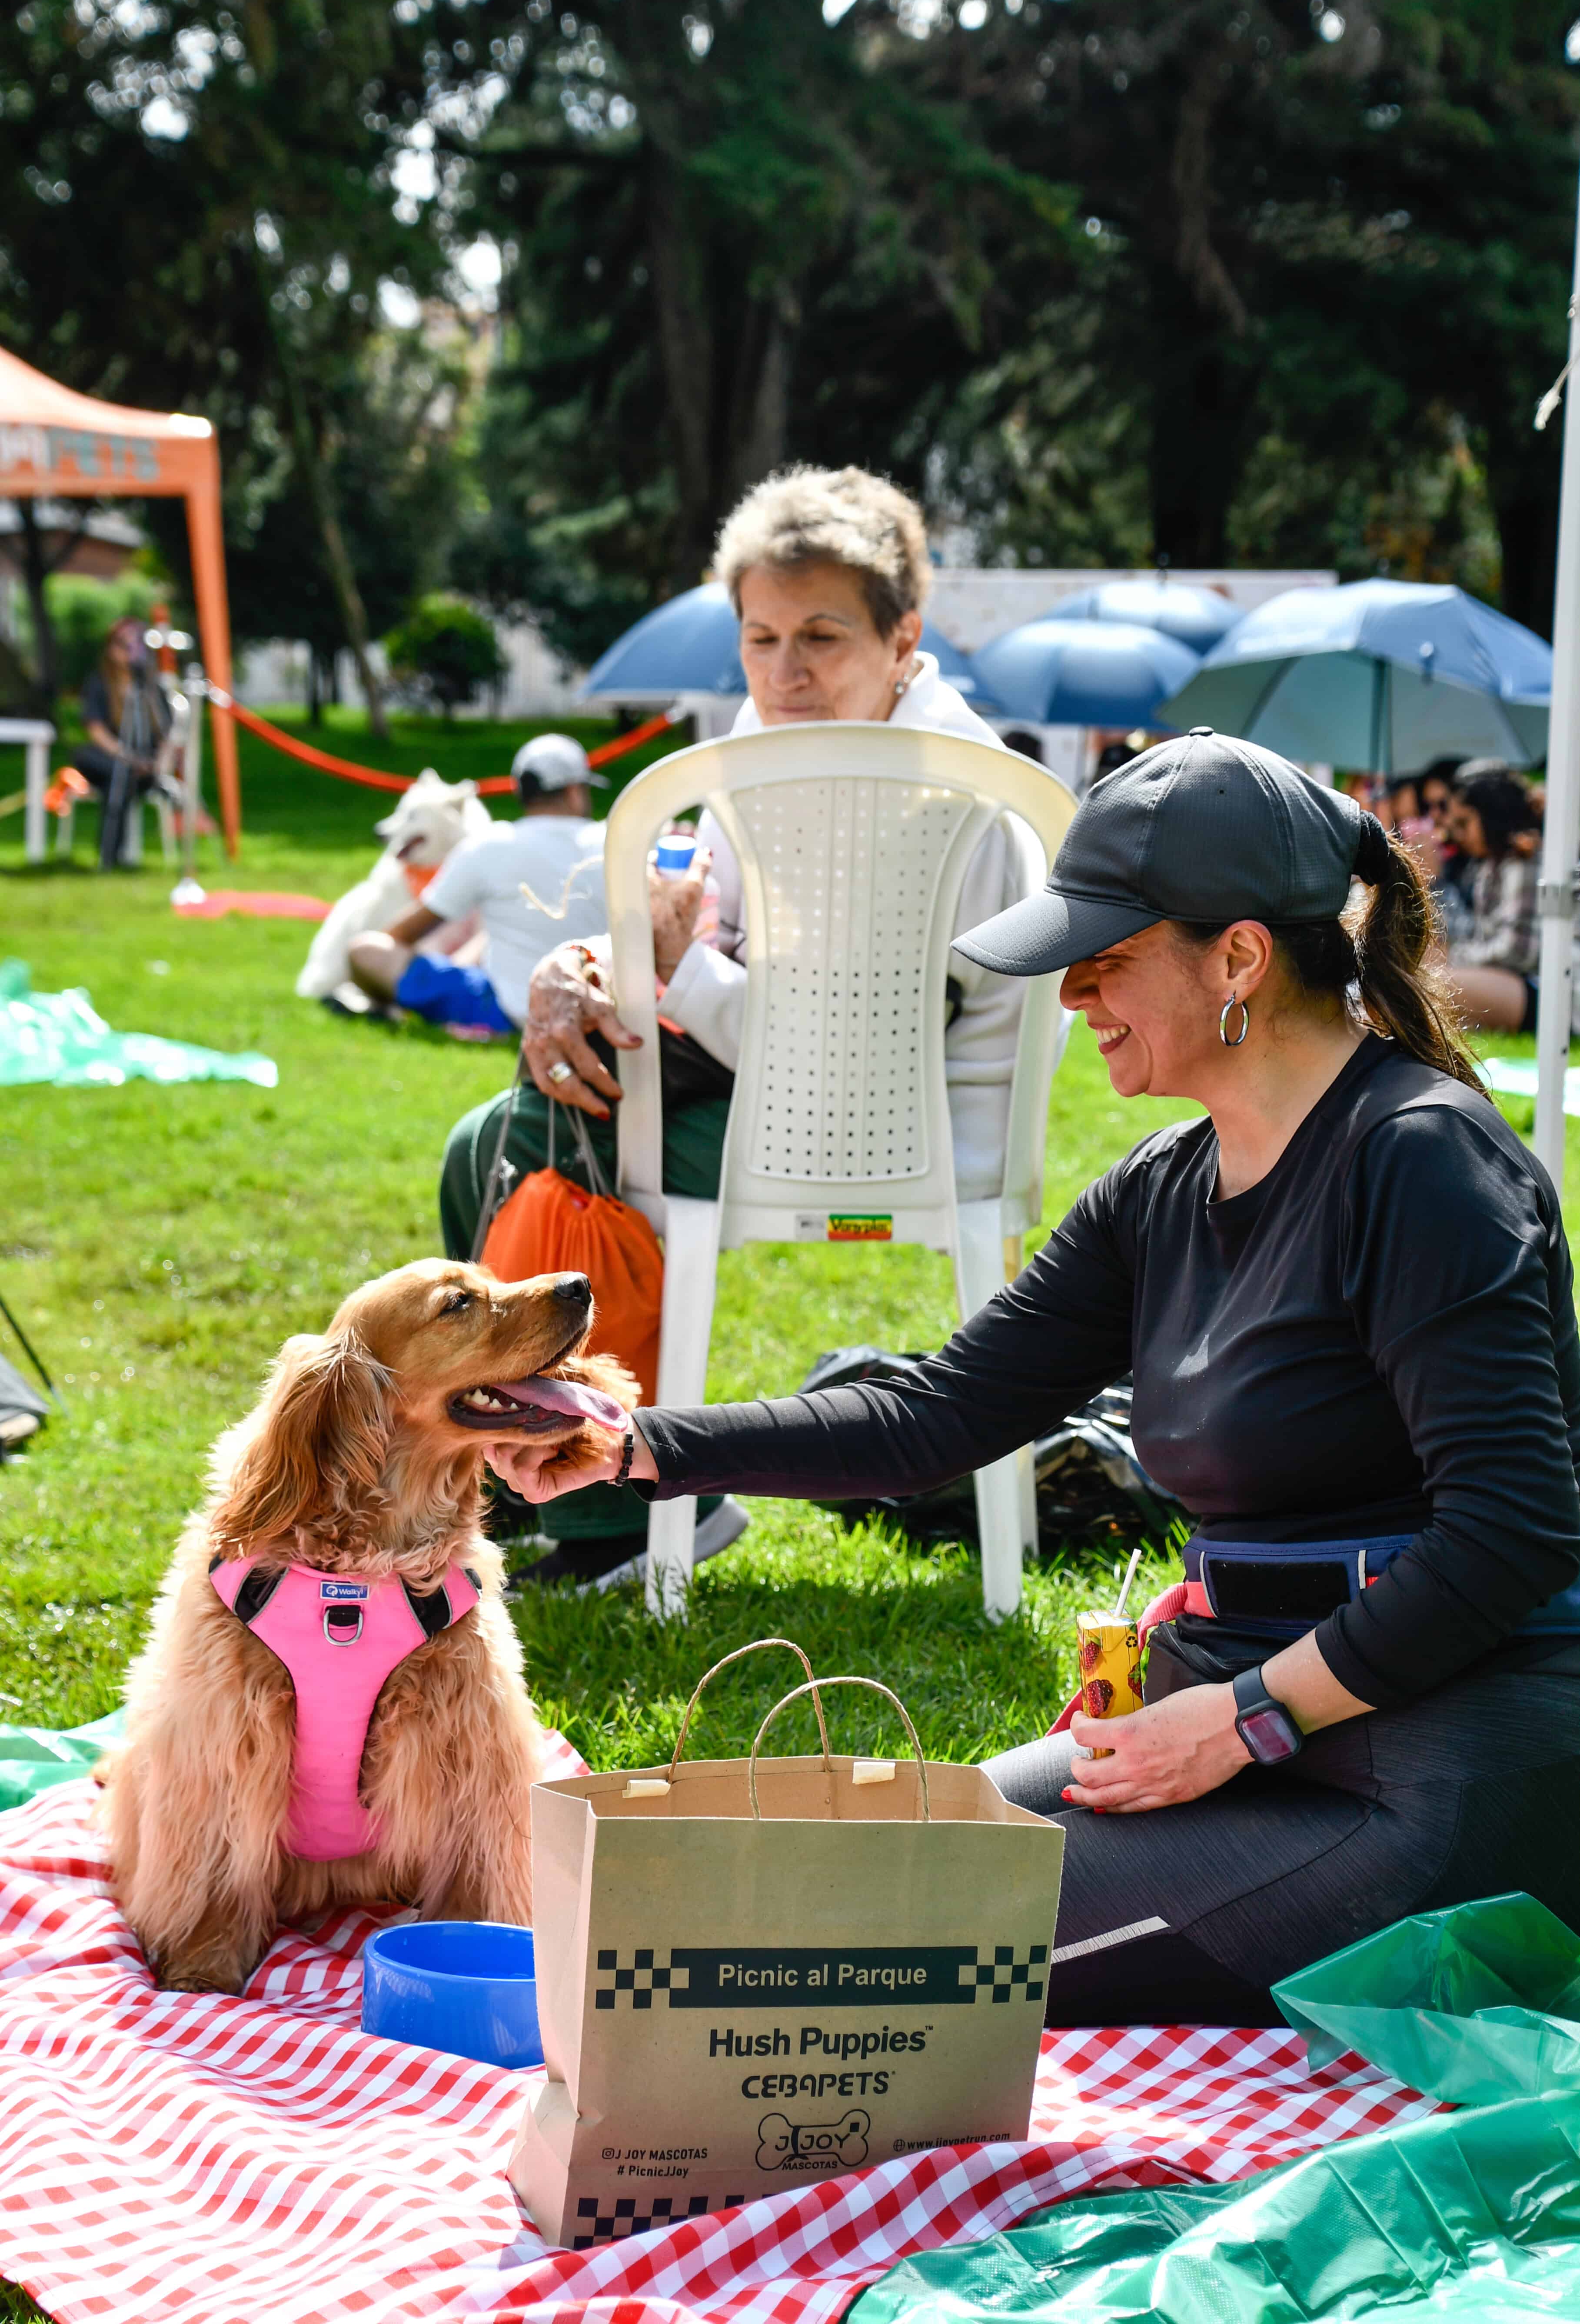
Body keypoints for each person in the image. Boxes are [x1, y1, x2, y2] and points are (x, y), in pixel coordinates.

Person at [487, 729, 1580, 2024]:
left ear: (1237, 956)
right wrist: (639, 1441)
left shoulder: (1421, 1162)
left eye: (1103, 960)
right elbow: (935, 1414)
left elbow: (1511, 1530)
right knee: (820, 1882)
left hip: (1424, 1772)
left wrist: (1241, 1720)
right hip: (1231, 1729)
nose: (1069, 998)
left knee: (844, 1956)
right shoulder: (1160, 1187)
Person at [439, 463, 1038, 1587]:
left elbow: (859, 1035)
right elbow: (721, 949)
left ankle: (626, 1500)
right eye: (759, 638)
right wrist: (596, 965)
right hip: (782, 1084)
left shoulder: (939, 781)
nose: (785, 671)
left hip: (890, 1124)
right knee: (487, 1137)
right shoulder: (775, 757)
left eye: (821, 637)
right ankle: (514, 1467)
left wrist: (669, 969)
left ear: (902, 635)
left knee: (550, 1134)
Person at [348, 735, 608, 1036]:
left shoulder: (489, 846)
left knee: (366, 951)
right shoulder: (614, 843)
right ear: (575, 792)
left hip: (503, 1011)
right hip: (598, 1007)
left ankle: (398, 1011)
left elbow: (399, 935)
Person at [1443, 762, 1543, 1033]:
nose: (1458, 834)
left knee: (1436, 986)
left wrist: (1457, 956)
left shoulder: (1523, 859)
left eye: (1465, 823)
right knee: (1425, 979)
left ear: (1491, 816)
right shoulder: (1490, 864)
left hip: (1545, 990)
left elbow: (1517, 951)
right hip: (1514, 983)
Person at [73, 615, 175, 871]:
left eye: (135, 645)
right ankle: (113, 858)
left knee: (120, 780)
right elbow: (94, 729)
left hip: (144, 767)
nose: (129, 652)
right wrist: (126, 757)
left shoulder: (151, 688)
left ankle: (109, 858)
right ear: (110, 648)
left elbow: (167, 734)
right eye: (122, 644)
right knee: (116, 773)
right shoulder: (99, 684)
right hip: (109, 758)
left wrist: (158, 764)